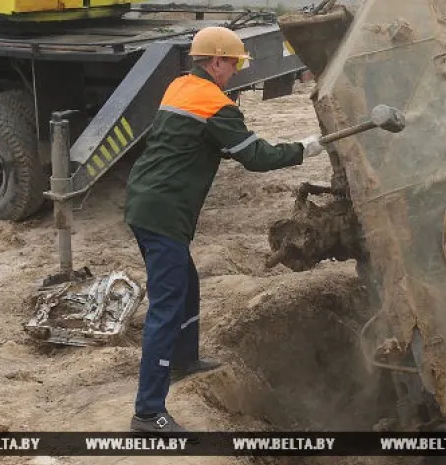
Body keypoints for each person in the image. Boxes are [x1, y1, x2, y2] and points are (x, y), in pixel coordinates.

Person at [124, 26, 324, 434]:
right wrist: (305, 148)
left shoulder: (178, 87)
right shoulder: (215, 104)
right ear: (215, 61)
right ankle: (147, 412)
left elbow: (192, 140)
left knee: (187, 283)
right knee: (165, 307)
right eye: (232, 64)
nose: (235, 72)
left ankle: (184, 360)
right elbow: (256, 156)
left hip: (143, 200)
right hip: (164, 211)